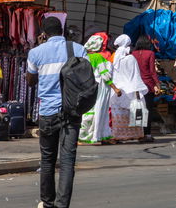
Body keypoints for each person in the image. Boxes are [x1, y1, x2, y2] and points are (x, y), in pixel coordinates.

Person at [27, 16, 87, 208]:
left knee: (47, 160)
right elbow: (85, 77)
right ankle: (62, 205)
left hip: (48, 111)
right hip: (72, 110)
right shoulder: (78, 49)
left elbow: (30, 81)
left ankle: (47, 202)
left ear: (44, 33)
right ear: (62, 30)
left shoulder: (36, 53)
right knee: (68, 161)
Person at [78, 33, 121, 145]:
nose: (103, 46)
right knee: (100, 112)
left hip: (88, 87)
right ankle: (90, 136)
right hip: (100, 89)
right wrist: (115, 88)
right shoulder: (97, 57)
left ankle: (100, 136)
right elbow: (105, 75)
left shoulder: (84, 57)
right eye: (101, 44)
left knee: (90, 112)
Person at [110, 35, 148, 142]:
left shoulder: (115, 58)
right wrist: (138, 92)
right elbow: (135, 76)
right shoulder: (131, 59)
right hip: (131, 89)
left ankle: (117, 136)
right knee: (133, 113)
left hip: (117, 91)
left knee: (118, 115)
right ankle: (136, 135)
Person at [132, 35, 159, 143]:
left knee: (138, 110)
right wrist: (158, 84)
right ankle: (147, 134)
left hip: (136, 85)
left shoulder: (132, 54)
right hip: (148, 85)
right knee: (148, 110)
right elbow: (152, 71)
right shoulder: (150, 54)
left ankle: (139, 133)